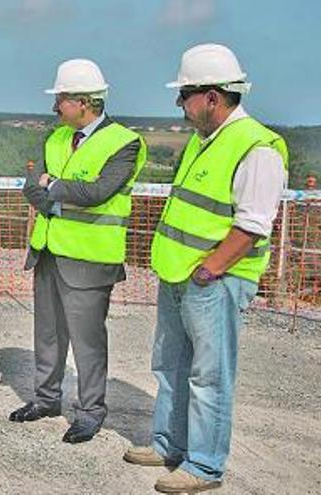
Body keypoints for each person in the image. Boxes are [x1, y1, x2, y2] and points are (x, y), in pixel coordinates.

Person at [123, 44, 288, 494]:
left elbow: (252, 224)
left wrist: (210, 270)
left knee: (209, 377)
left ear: (212, 97)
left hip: (214, 282)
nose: (179, 104)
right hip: (180, 275)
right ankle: (167, 444)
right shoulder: (204, 141)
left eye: (185, 95)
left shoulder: (257, 147)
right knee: (170, 365)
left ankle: (204, 466)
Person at [11, 59, 146, 443]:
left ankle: (89, 412)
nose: (55, 107)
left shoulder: (125, 143)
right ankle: (46, 399)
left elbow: (100, 193)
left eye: (62, 100)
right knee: (48, 335)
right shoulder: (55, 138)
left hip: (90, 260)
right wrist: (56, 193)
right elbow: (31, 188)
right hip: (49, 253)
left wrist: (53, 187)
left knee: (87, 342)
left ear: (84, 101)